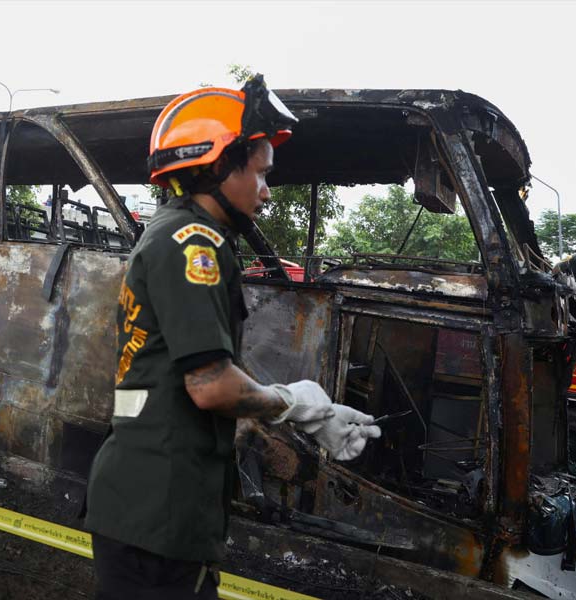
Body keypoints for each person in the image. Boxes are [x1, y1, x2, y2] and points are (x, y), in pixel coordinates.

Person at [84, 75, 381, 599]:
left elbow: (197, 378)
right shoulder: (190, 245)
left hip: (154, 504)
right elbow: (211, 386)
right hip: (158, 511)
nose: (267, 191)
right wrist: (296, 405)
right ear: (218, 165)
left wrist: (308, 414)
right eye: (261, 173)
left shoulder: (179, 236)